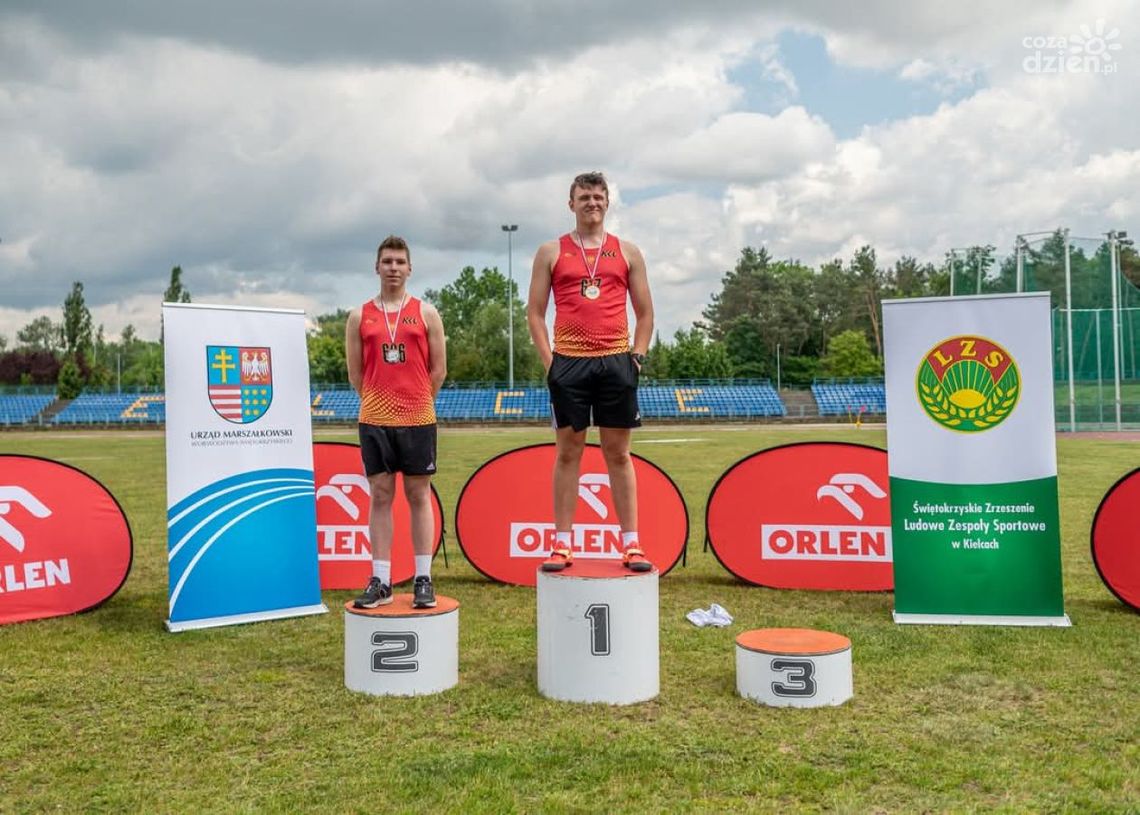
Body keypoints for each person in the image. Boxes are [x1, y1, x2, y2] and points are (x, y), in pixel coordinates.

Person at [527, 171, 655, 573]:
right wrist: (552, 363)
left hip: (616, 361)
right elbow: (534, 312)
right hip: (569, 363)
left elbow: (646, 312)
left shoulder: (628, 251)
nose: (592, 203)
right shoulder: (551, 251)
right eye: (584, 197)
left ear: (607, 203)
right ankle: (562, 544)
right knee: (568, 455)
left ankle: (631, 545)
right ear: (572, 204)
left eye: (598, 196)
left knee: (618, 455)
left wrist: (637, 356)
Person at [345, 235, 447, 608]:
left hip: (418, 417)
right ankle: (382, 580)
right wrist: (379, 404)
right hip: (374, 418)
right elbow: (356, 374)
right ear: (376, 267)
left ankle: (423, 577)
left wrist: (416, 402)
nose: (393, 268)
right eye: (386, 261)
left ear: (409, 268)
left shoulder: (426, 313)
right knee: (381, 496)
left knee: (419, 495)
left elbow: (438, 370)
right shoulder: (360, 316)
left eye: (399, 261)